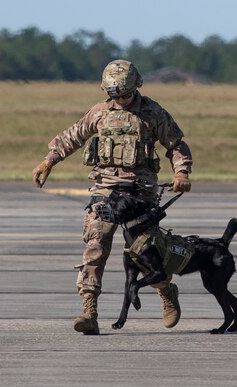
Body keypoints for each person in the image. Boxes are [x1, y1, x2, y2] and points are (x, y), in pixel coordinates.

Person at [31, 59, 193, 335]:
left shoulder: (152, 112)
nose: (120, 100)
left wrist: (182, 172)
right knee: (95, 244)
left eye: (125, 95)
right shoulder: (99, 113)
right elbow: (73, 136)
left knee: (144, 253)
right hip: (104, 190)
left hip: (140, 192)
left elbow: (175, 144)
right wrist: (49, 161)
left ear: (136, 88)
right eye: (114, 95)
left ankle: (165, 290)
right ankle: (89, 310)